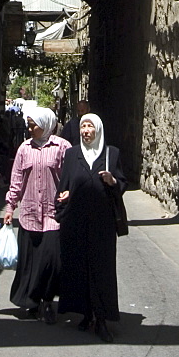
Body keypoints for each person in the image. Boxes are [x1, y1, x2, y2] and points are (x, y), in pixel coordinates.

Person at [56, 113, 127, 343]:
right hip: (76, 221)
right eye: (83, 127)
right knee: (79, 266)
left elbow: (122, 183)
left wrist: (112, 181)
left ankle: (103, 318)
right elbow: (64, 185)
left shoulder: (111, 154)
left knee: (102, 268)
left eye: (90, 127)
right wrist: (64, 195)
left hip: (102, 223)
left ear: (98, 129)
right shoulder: (71, 154)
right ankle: (85, 314)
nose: (86, 131)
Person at [4, 108, 70, 324]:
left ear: (47, 124)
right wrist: (10, 207)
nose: (31, 129)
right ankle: (32, 302)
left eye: (35, 125)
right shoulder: (24, 148)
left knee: (51, 261)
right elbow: (17, 179)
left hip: (53, 213)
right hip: (30, 213)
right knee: (30, 262)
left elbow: (70, 177)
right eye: (29, 125)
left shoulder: (62, 147)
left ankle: (49, 301)